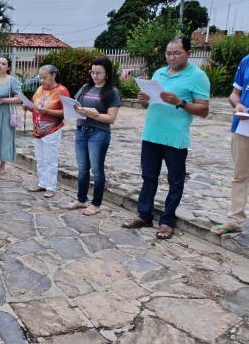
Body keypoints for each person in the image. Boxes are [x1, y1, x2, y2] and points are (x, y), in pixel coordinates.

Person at [123, 36, 209, 239]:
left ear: (188, 53)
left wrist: (180, 102)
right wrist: (144, 100)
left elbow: (204, 110)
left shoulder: (198, 76)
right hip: (152, 134)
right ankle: (144, 215)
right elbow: (151, 103)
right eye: (168, 53)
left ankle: (167, 222)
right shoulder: (159, 72)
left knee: (175, 181)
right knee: (148, 177)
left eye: (177, 53)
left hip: (175, 138)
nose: (171, 57)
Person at [67, 57, 121, 216]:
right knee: (82, 168)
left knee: (97, 169)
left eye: (99, 73)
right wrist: (77, 109)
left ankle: (96, 203)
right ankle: (81, 199)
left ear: (107, 74)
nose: (95, 75)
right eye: (92, 72)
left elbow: (111, 118)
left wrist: (94, 114)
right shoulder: (85, 88)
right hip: (81, 130)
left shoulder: (112, 92)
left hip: (98, 133)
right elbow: (75, 105)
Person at [211, 53, 249, 235]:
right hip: (244, 127)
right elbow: (234, 95)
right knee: (240, 175)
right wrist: (238, 105)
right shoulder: (246, 61)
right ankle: (235, 219)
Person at [24, 64, 69, 198]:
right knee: (40, 158)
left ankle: (51, 186)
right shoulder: (39, 89)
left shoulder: (62, 91)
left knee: (50, 159)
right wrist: (28, 107)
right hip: (37, 129)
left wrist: (47, 111)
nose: (42, 81)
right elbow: (35, 106)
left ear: (53, 75)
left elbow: (66, 112)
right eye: (40, 78)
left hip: (52, 129)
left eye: (45, 78)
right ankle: (42, 183)